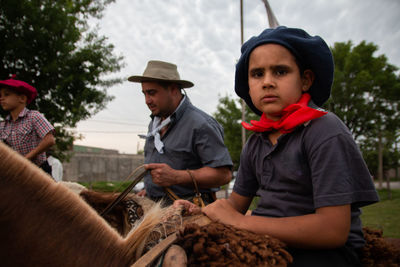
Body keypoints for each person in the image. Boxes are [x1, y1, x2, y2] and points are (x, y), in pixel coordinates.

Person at [175, 26, 379, 266]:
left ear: (305, 80)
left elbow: (332, 230)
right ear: (248, 85)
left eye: (280, 71)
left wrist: (241, 223)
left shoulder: (324, 130)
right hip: (269, 241)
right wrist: (202, 211)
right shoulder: (255, 143)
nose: (268, 82)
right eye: (257, 74)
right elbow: (235, 206)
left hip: (325, 253)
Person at [128, 60, 233, 205]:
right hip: (155, 210)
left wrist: (176, 177)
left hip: (190, 214)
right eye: (144, 93)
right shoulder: (154, 123)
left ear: (173, 89)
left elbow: (223, 175)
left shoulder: (201, 124)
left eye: (152, 93)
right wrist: (150, 190)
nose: (147, 100)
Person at [0, 75, 55, 176]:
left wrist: (26, 158)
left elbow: (50, 140)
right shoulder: (4, 125)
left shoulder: (33, 116)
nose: (1, 98)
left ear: (22, 98)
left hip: (38, 169)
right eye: (0, 95)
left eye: (6, 94)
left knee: (47, 192)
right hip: (18, 171)